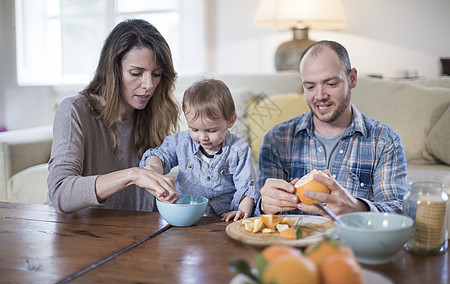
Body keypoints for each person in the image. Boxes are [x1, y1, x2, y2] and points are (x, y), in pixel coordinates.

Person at [256, 40, 408, 217]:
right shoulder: (276, 140)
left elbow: (397, 212)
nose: (320, 96)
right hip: (291, 243)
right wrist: (264, 206)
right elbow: (259, 218)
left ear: (352, 78)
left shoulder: (384, 142)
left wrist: (357, 207)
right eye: (310, 86)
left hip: (352, 244)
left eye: (331, 84)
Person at [47, 19, 181, 213]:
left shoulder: (153, 116)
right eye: (136, 73)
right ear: (112, 71)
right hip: (73, 234)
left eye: (156, 74)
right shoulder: (74, 110)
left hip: (130, 235)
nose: (149, 85)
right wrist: (132, 175)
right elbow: (60, 193)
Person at [140, 78, 257, 221]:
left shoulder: (239, 149)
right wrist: (153, 167)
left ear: (230, 121)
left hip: (223, 218)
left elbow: (247, 187)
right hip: (185, 214)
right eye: (194, 129)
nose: (203, 137)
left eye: (211, 130)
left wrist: (241, 212)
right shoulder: (181, 142)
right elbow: (159, 155)